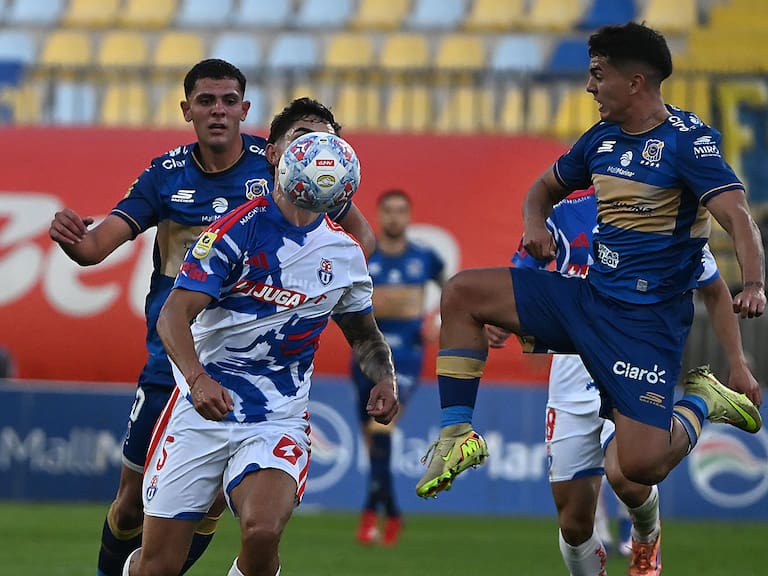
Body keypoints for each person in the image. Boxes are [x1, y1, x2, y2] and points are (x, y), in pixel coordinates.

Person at [415, 21, 764, 576]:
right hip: (588, 303)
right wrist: (534, 223)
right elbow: (544, 188)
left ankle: (702, 402)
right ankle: (457, 434)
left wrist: (753, 283)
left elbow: (738, 217)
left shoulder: (688, 143)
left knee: (640, 467)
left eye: (598, 76)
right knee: (462, 294)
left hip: (644, 326)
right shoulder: (598, 142)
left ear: (636, 81)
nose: (589, 87)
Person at [48, 59, 375, 576]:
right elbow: (94, 248)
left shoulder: (280, 166)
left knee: (216, 510)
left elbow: (357, 246)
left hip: (245, 379)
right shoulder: (164, 176)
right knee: (131, 504)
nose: (218, 111)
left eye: (229, 102)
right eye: (206, 101)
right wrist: (72, 238)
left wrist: (337, 194)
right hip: (171, 358)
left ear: (245, 110)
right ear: (188, 110)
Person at [124, 115, 398, 576]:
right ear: (277, 155)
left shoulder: (345, 254)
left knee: (262, 532)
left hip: (277, 417)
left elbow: (363, 333)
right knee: (158, 567)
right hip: (202, 410)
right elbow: (174, 314)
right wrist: (197, 379)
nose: (316, 151)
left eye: (326, 142)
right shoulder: (233, 232)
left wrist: (383, 375)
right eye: (303, 140)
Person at [488, 186, 760, 575]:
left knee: (627, 475)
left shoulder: (670, 219)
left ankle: (646, 537)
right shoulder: (566, 215)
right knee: (574, 523)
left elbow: (715, 291)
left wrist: (737, 362)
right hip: (572, 374)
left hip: (635, 362)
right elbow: (521, 272)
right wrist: (500, 316)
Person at [353, 189, 445, 546]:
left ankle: (371, 514)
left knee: (381, 430)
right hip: (364, 353)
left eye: (400, 211)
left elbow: (451, 288)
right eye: (388, 210)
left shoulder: (424, 257)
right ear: (379, 214)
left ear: (408, 216)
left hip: (404, 356)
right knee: (371, 441)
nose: (394, 217)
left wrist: (438, 318)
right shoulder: (365, 254)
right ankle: (391, 511)